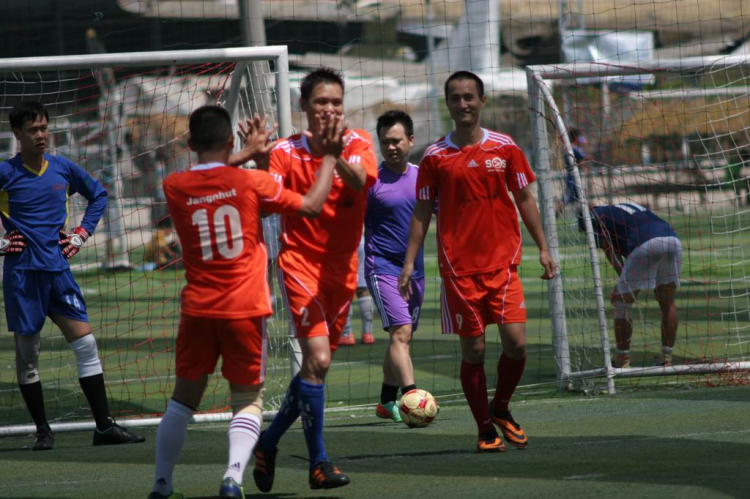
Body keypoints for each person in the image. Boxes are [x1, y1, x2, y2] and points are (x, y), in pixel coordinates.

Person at [149, 106, 337, 499]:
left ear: (189, 143)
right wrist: (330, 157)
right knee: (247, 399)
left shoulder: (174, 186)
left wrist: (245, 153)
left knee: (182, 401)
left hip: (198, 308)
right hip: (245, 309)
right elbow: (312, 205)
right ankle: (232, 478)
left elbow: (211, 172)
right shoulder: (251, 182)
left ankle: (162, 485)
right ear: (230, 141)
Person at [398, 71, 557, 453]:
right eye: (456, 98)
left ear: (482, 101)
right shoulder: (434, 157)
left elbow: (524, 199)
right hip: (458, 272)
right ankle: (485, 428)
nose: (463, 103)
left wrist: (544, 247)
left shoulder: (505, 148)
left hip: (504, 266)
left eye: (469, 96)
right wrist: (408, 264)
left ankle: (500, 406)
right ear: (448, 104)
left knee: (517, 346)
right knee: (474, 353)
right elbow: (421, 212)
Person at [252, 67, 378, 492]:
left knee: (314, 368)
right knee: (320, 360)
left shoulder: (358, 143)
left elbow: (360, 182)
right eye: (321, 102)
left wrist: (335, 153)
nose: (330, 109)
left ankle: (267, 443)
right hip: (300, 265)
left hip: (343, 271)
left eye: (336, 103)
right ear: (304, 106)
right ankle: (318, 462)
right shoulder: (285, 151)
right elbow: (268, 201)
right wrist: (258, 163)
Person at [0, 100, 144, 451]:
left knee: (86, 344)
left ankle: (104, 426)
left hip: (58, 271)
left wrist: (81, 234)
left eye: (44, 128)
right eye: (32, 130)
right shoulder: (6, 172)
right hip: (22, 275)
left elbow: (99, 195)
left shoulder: (62, 168)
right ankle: (42, 431)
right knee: (28, 354)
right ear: (17, 134)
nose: (41, 135)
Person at [361, 110, 424, 422]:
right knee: (401, 331)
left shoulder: (423, 178)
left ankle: (385, 402)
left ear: (410, 140)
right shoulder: (371, 181)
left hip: (417, 272)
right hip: (382, 268)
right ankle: (412, 398)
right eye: (385, 142)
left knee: (402, 337)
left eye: (396, 140)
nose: (391, 147)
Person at [579, 202, 682, 368]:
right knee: (667, 301)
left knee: (621, 302)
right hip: (673, 240)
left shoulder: (594, 217)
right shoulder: (618, 208)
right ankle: (666, 357)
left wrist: (623, 280)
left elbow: (608, 249)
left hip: (646, 244)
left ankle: (622, 359)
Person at [338, 235, 375, 346]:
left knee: (343, 290)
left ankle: (346, 335)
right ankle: (368, 333)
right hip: (361, 240)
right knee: (363, 289)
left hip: (341, 243)